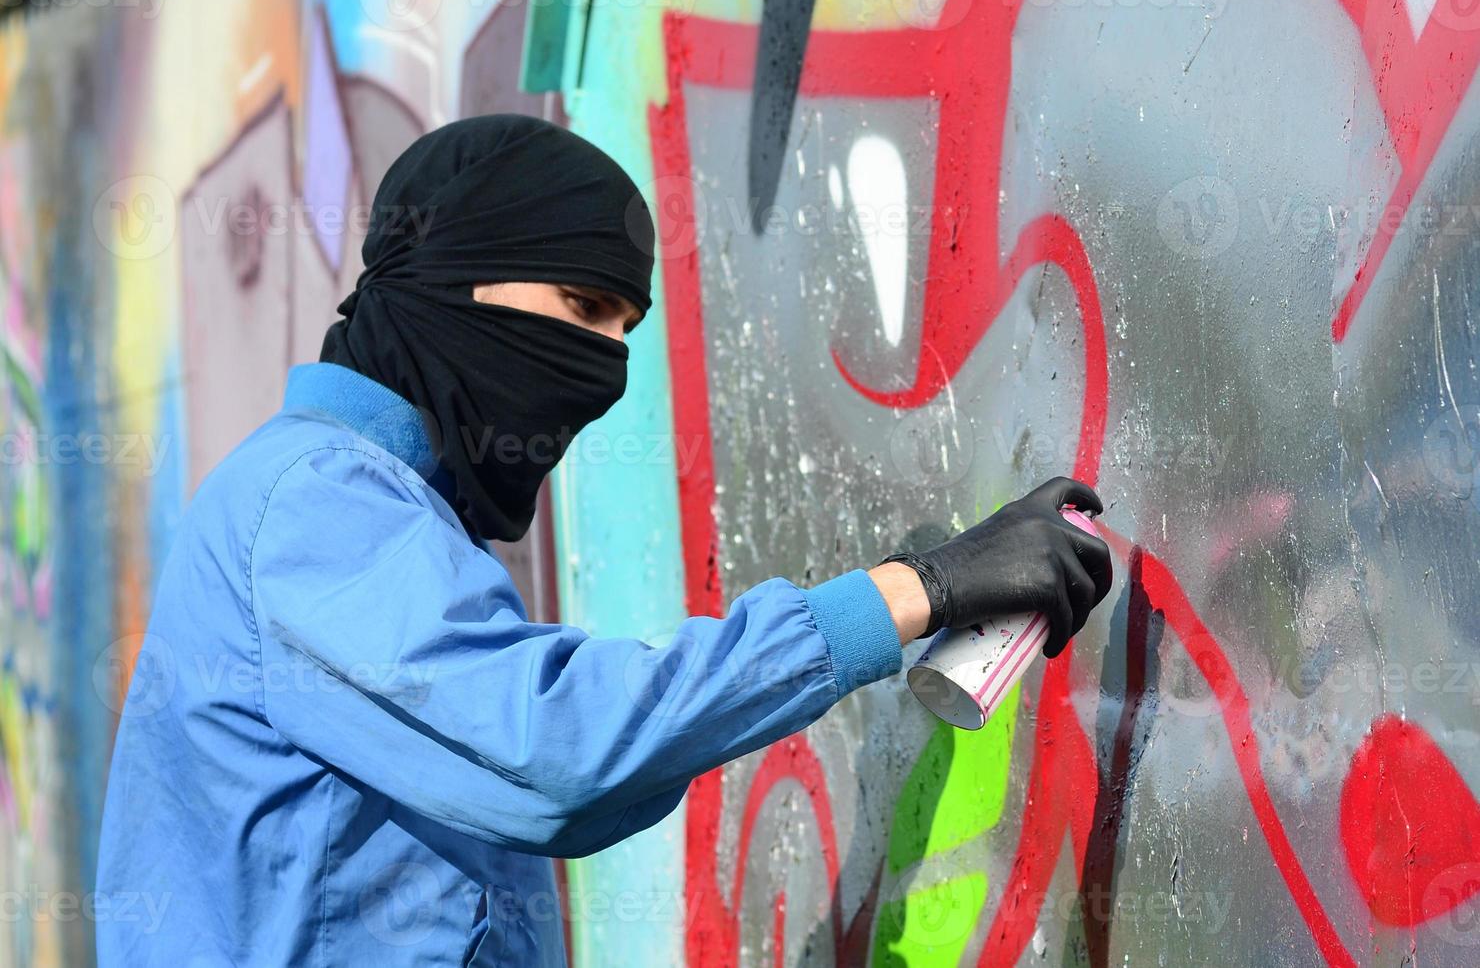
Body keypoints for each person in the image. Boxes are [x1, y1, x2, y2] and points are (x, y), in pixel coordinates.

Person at [95, 114, 1113, 966]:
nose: (605, 363)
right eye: (581, 308)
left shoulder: (381, 512)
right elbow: (560, 752)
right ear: (454, 276)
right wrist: (911, 590)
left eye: (626, 325)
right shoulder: (318, 508)